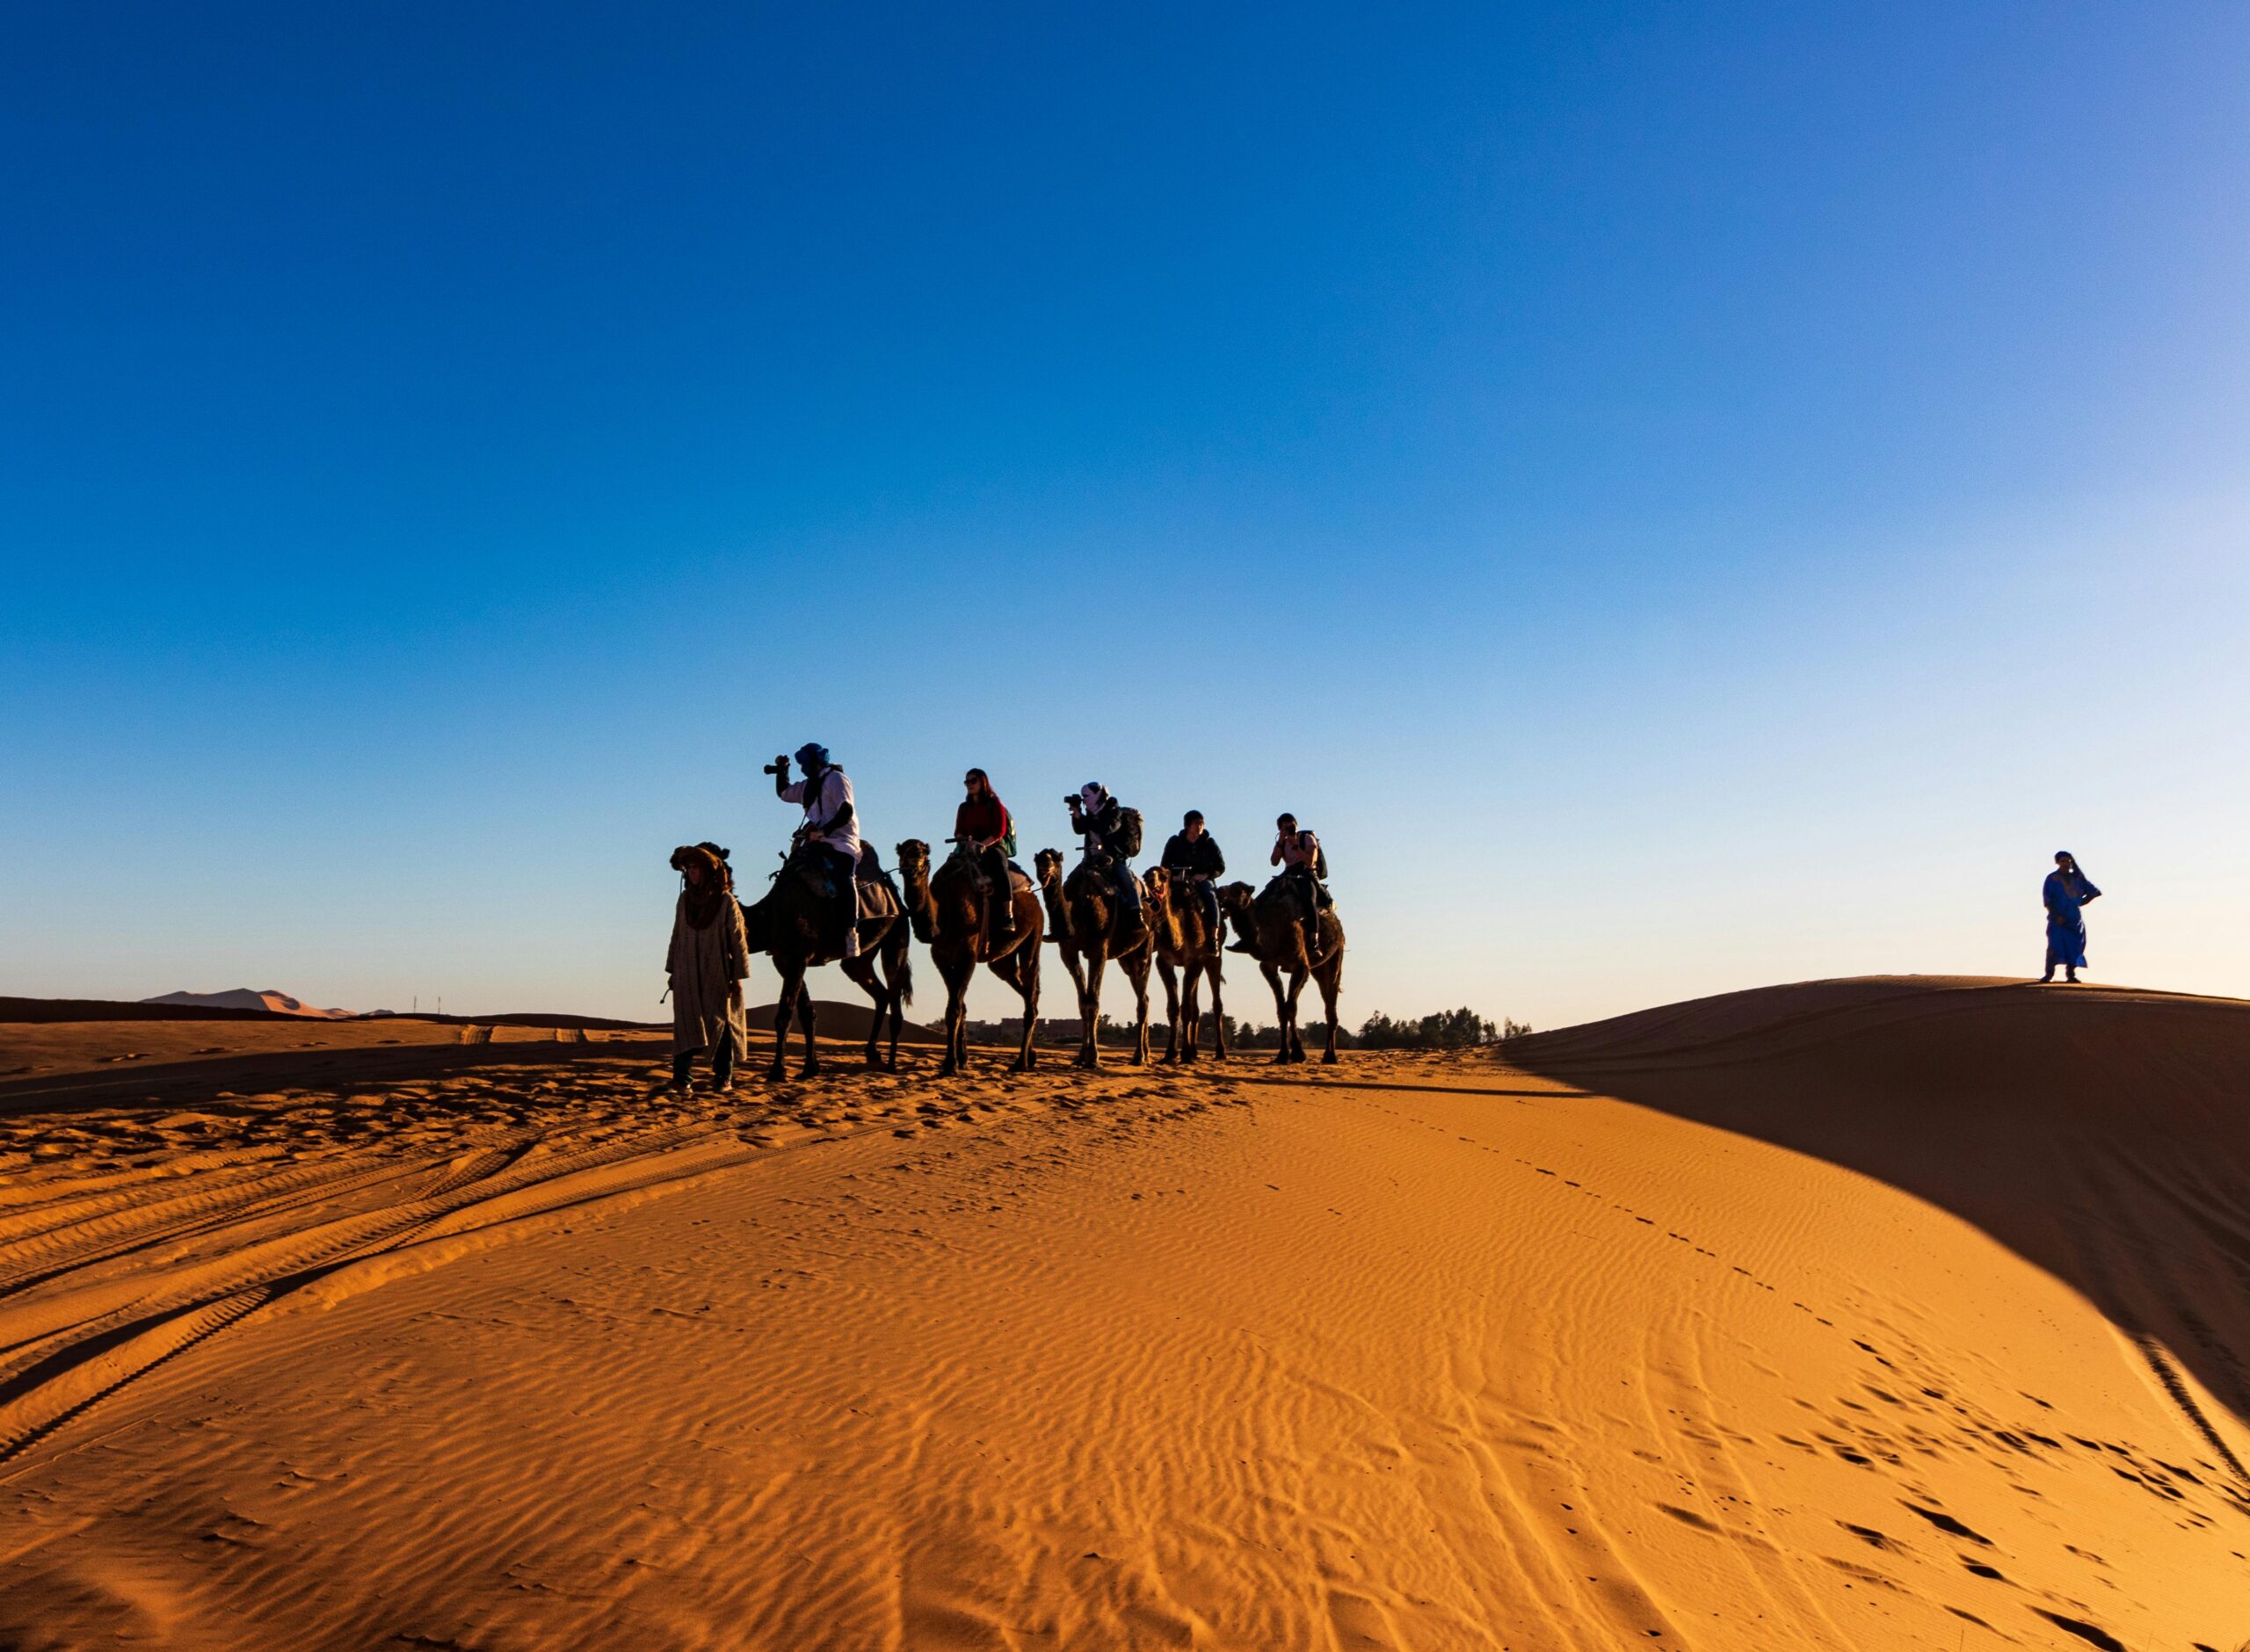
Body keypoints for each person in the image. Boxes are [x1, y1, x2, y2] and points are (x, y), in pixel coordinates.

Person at [665, 843, 750, 1091]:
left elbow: (738, 940)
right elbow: (676, 935)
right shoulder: (684, 901)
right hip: (686, 971)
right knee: (685, 1023)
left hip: (718, 971)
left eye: (696, 868)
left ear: (708, 871)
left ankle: (724, 1077)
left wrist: (738, 977)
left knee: (721, 1022)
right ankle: (682, 1079)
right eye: (688, 868)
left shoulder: (725, 902)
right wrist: (672, 970)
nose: (692, 873)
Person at [771, 742, 861, 958]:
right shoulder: (808, 786)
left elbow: (845, 811)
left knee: (844, 877)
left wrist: (824, 832)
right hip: (815, 841)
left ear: (815, 762)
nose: (802, 767)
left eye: (804, 762)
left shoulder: (836, 780)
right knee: (789, 872)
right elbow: (783, 792)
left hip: (841, 840)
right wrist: (782, 770)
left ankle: (851, 931)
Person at [1065, 781, 1142, 931]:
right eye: (1083, 797)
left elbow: (1106, 828)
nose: (1085, 800)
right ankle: (1064, 925)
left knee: (1127, 881)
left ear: (1098, 796)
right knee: (1069, 885)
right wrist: (1076, 814)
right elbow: (1080, 829)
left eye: (1087, 796)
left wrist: (1083, 817)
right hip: (1091, 859)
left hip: (1114, 858)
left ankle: (1136, 915)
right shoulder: (1090, 812)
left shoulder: (1114, 811)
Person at [954, 767, 1018, 942]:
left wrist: (981, 844)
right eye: (966, 782)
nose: (969, 785)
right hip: (968, 848)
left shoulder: (994, 804)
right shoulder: (964, 808)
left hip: (992, 847)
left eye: (972, 781)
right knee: (948, 870)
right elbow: (958, 831)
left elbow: (999, 831)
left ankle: (1008, 914)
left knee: (999, 863)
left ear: (983, 782)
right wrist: (966, 842)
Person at [1259, 812, 1329, 960]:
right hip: (1288, 874)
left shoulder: (1307, 839)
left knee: (1308, 901)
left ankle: (1313, 941)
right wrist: (1281, 842)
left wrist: (1295, 845)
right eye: (1285, 828)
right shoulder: (1282, 842)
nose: (1289, 829)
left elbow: (1310, 862)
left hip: (1306, 874)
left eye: (1291, 826)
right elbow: (1274, 862)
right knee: (1262, 898)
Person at [1160, 809, 1226, 943]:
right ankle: (1156, 934)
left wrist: (1206, 875)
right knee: (1160, 899)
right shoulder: (1175, 842)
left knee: (1210, 896)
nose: (1200, 826)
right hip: (1177, 880)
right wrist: (1174, 877)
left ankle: (1213, 936)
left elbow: (1220, 866)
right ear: (1187, 826)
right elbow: (1164, 866)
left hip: (1202, 880)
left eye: (1202, 824)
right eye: (1197, 824)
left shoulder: (1209, 844)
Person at [2040, 851, 2102, 984]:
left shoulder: (2078, 878)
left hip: (2074, 920)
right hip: (2057, 920)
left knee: (2074, 947)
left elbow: (2095, 892)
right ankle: (2048, 974)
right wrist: (2056, 916)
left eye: (2068, 861)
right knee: (2054, 945)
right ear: (2057, 862)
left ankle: (2071, 975)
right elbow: (2048, 900)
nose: (2066, 863)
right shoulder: (2052, 879)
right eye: (2063, 861)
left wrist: (2079, 903)